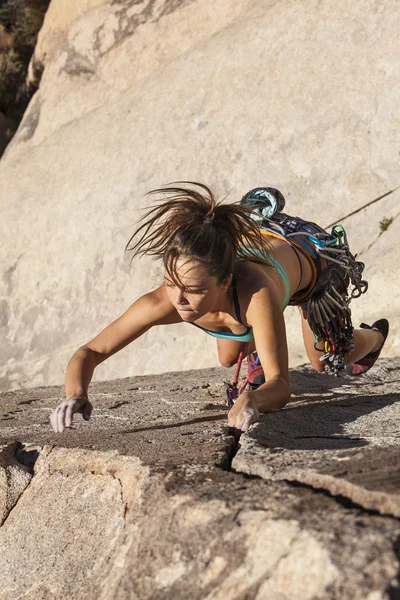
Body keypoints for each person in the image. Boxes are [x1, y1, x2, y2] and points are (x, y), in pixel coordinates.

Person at [50, 183, 389, 434]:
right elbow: (90, 351)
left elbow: (281, 385)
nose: (178, 300)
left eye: (193, 291)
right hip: (254, 246)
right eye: (171, 282)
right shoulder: (166, 299)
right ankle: (257, 345)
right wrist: (74, 394)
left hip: (313, 262)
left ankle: (373, 338)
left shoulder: (257, 295)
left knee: (325, 360)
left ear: (225, 283)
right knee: (228, 356)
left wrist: (253, 400)